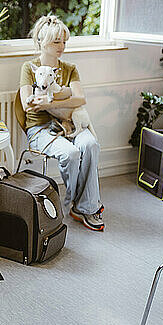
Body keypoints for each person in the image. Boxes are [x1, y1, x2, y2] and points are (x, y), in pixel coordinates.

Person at [19, 14, 104, 231]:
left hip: (70, 122)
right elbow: (28, 104)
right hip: (40, 129)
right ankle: (84, 205)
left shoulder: (70, 68)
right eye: (57, 41)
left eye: (64, 41)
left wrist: (49, 101)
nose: (62, 46)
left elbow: (80, 99)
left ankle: (84, 206)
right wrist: (63, 96)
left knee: (90, 144)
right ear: (41, 41)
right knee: (71, 153)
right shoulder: (29, 68)